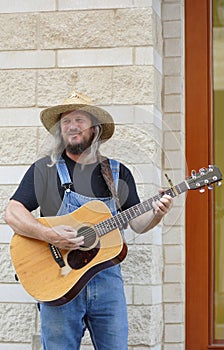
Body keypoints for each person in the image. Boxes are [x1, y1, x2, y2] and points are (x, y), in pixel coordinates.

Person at [4, 91, 172, 350]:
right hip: (59, 282)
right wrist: (49, 235)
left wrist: (157, 212)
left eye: (79, 120)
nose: (72, 126)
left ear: (95, 128)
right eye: (66, 121)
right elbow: (13, 213)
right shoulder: (44, 170)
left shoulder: (117, 172)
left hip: (107, 282)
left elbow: (138, 223)